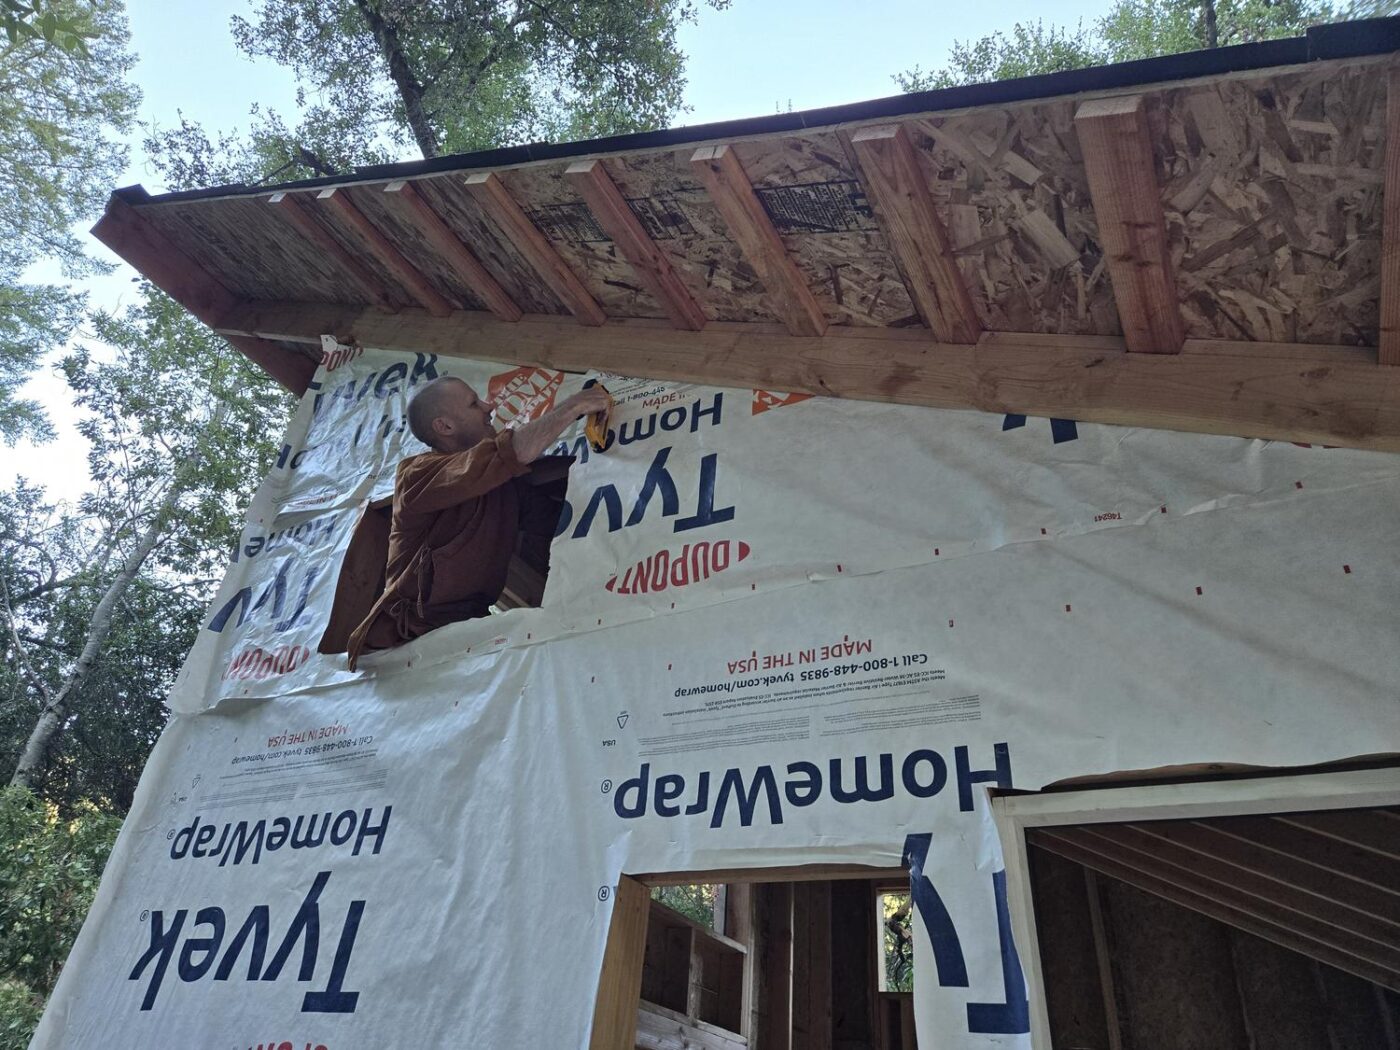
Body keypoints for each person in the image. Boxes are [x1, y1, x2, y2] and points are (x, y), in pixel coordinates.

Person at [333, 376, 609, 668]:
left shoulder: (506, 488)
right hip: (409, 641)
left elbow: (557, 523)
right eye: (474, 403)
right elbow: (501, 456)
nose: (489, 406)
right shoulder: (417, 475)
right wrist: (574, 406)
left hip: (464, 629)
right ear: (445, 427)